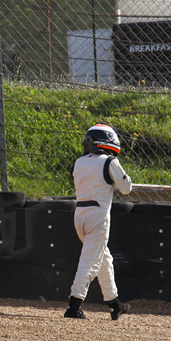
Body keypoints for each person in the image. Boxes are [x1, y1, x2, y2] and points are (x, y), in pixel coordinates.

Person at [65, 123, 133, 320]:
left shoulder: (79, 162)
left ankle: (114, 304)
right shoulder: (109, 161)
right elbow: (126, 187)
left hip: (79, 215)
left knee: (104, 259)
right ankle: (74, 306)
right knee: (90, 262)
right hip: (98, 216)